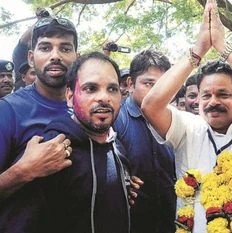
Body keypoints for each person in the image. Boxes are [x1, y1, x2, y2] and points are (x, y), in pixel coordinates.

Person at [141, 0, 232, 231]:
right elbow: (151, 105)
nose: (213, 102)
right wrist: (197, 51)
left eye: (223, 94)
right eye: (206, 95)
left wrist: (223, 46)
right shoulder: (188, 128)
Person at [0, 52, 133, 233]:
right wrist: (23, 171)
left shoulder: (117, 147)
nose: (104, 97)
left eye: (112, 89)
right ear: (69, 96)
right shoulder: (50, 153)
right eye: (90, 88)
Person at [0, 16, 78, 201]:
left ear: (77, 57)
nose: (55, 55)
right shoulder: (8, 110)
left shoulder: (85, 109)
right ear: (31, 58)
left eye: (65, 48)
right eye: (45, 47)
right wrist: (24, 170)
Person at [114, 50, 176, 233]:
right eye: (149, 84)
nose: (157, 92)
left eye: (163, 85)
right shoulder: (116, 119)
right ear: (130, 84)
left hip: (171, 220)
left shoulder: (176, 119)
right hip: (131, 223)